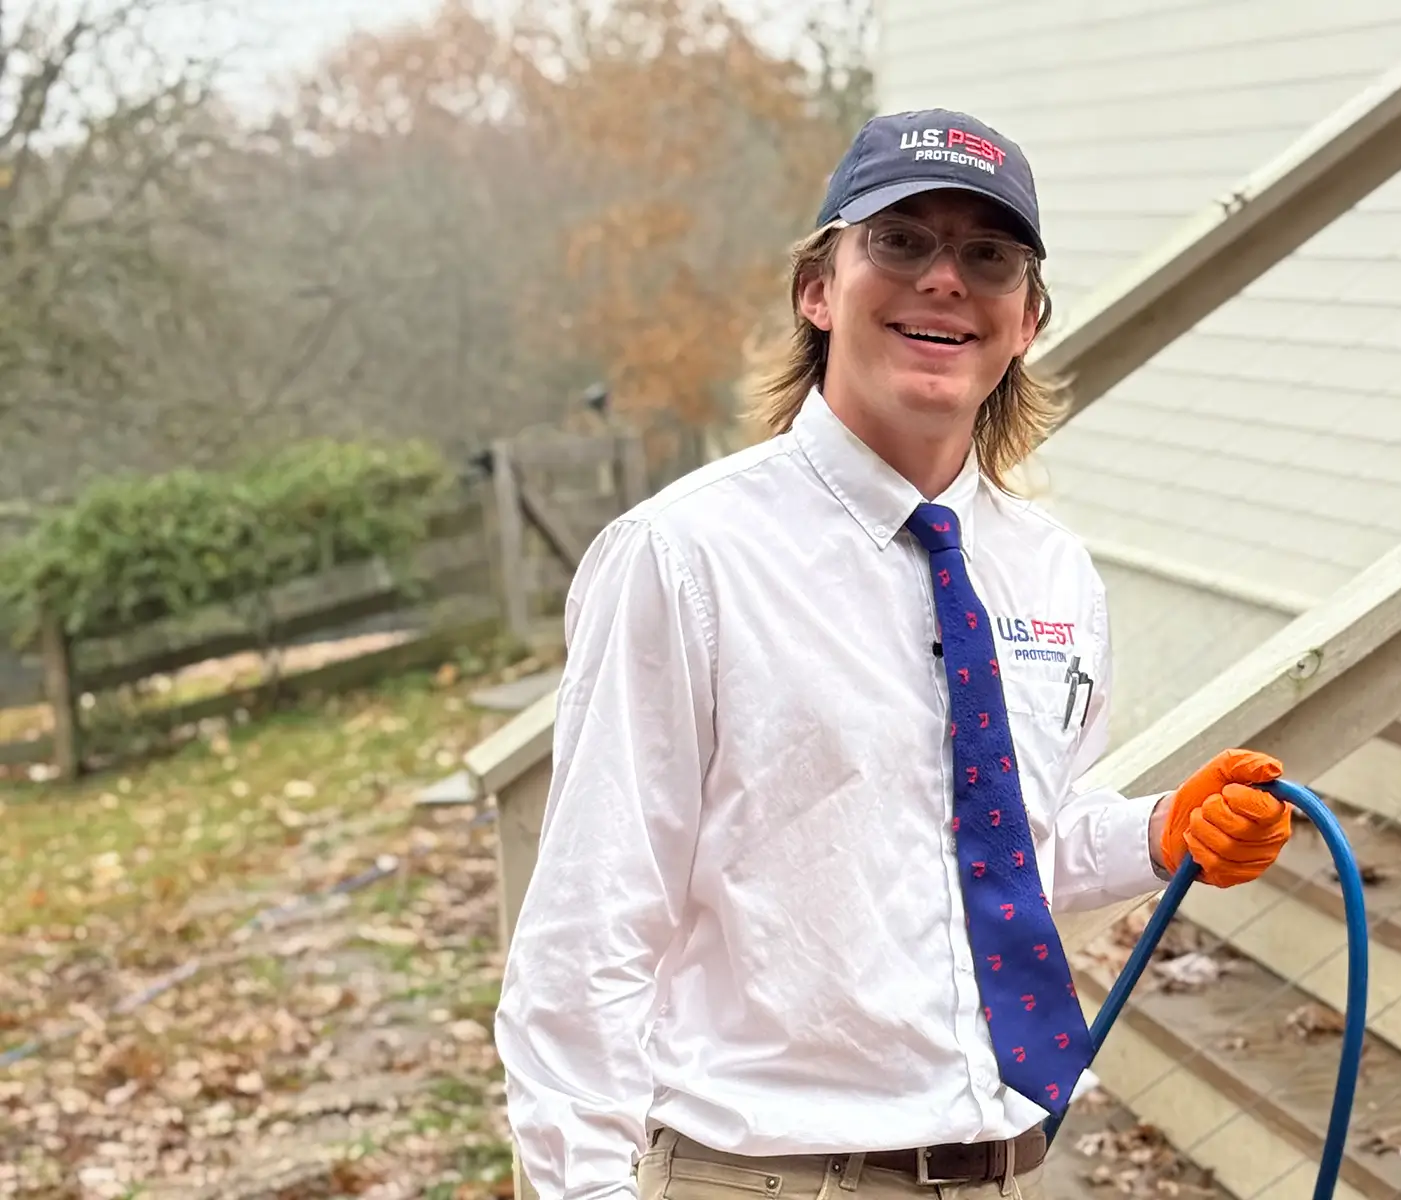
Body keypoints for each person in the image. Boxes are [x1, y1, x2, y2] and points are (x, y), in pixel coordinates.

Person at [493, 108, 1297, 1200]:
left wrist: (1162, 831)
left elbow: (999, 855)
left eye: (988, 255)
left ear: (1027, 321)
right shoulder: (687, 559)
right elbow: (587, 935)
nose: (945, 280)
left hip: (1013, 1171)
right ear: (819, 291)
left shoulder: (1054, 574)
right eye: (902, 240)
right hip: (770, 1176)